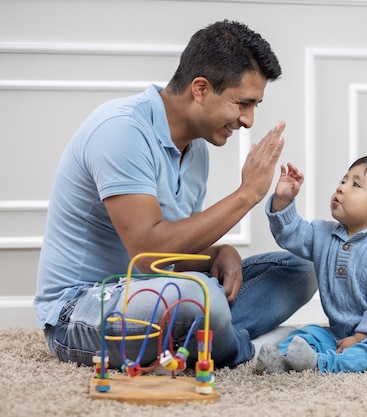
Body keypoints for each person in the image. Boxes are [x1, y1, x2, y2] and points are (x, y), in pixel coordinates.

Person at [34, 20, 317, 370]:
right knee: (202, 299)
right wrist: (246, 194)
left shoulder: (197, 150)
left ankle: (208, 342)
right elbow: (147, 247)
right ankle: (243, 348)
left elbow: (171, 255)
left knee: (299, 271)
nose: (249, 121)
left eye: (255, 106)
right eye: (243, 103)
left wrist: (217, 253)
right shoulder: (121, 130)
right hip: (82, 309)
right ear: (200, 89)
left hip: (156, 290)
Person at [257, 154, 367, 374]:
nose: (341, 188)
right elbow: (292, 234)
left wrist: (361, 337)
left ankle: (322, 363)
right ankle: (283, 360)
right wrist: (283, 200)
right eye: (343, 180)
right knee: (306, 335)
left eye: (355, 184)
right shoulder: (323, 234)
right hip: (340, 334)